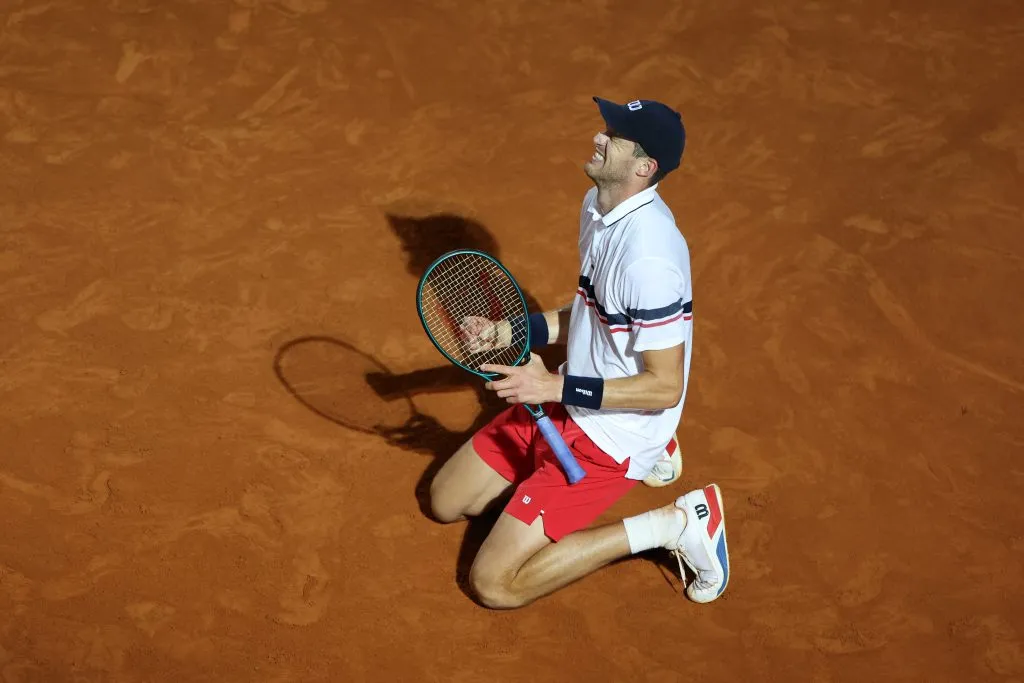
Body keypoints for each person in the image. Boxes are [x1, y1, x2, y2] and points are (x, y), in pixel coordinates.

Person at [428, 96, 729, 609]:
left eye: (613, 136)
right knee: (446, 503)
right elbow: (593, 311)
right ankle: (654, 453)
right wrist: (506, 331)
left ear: (643, 166)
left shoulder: (649, 259)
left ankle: (676, 524)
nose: (598, 137)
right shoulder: (598, 208)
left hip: (611, 438)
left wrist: (551, 386)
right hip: (569, 399)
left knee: (495, 585)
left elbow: (664, 385)